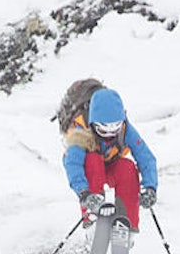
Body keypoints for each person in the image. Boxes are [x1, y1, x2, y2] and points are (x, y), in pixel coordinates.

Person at [59, 83, 158, 235]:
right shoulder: (81, 132)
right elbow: (73, 164)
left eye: (115, 127)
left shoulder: (125, 129)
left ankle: (127, 225)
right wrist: (84, 193)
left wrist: (150, 187)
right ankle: (92, 218)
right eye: (104, 129)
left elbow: (146, 157)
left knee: (127, 167)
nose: (110, 133)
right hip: (90, 174)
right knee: (93, 159)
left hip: (112, 167)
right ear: (93, 124)